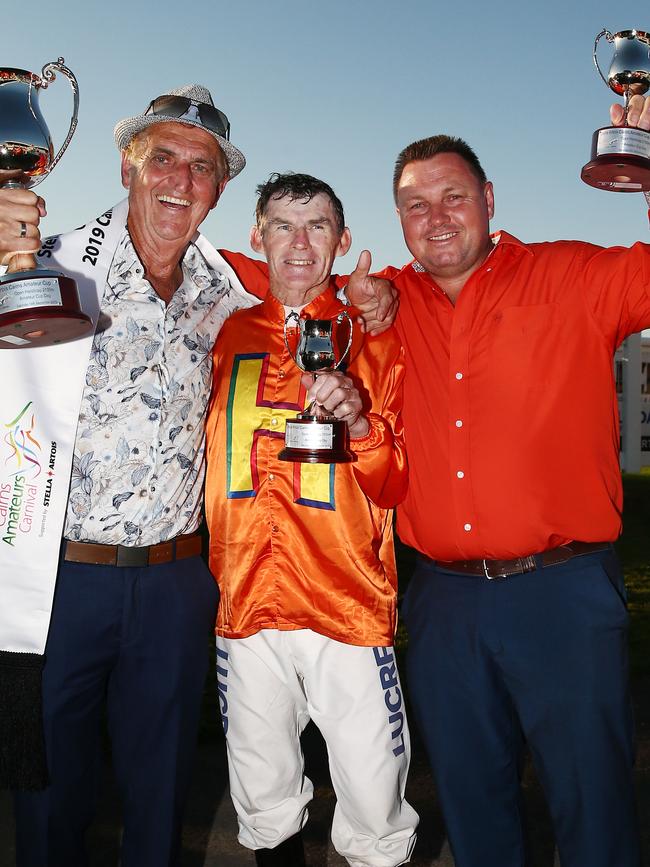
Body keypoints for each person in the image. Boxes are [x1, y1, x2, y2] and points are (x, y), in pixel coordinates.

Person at [382, 101, 650, 866]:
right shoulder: (383, 302)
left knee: (593, 810)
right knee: (473, 810)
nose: (435, 218)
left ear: (490, 199)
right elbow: (276, 274)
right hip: (442, 603)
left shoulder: (572, 274)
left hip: (560, 595)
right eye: (414, 204)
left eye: (453, 196)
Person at [0, 83, 258, 867]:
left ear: (218, 189)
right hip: (60, 580)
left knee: (160, 792)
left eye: (202, 167)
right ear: (126, 168)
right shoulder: (47, 265)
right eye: (163, 159)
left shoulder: (230, 294)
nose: (181, 179)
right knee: (46, 793)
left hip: (178, 583)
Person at [204, 172, 418, 866]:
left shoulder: (375, 335)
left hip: (345, 602)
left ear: (343, 240)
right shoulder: (227, 332)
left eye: (316, 226)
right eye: (282, 226)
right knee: (262, 793)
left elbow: (394, 483)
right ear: (256, 237)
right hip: (245, 602)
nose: (298, 244)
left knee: (373, 798)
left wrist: (359, 417)